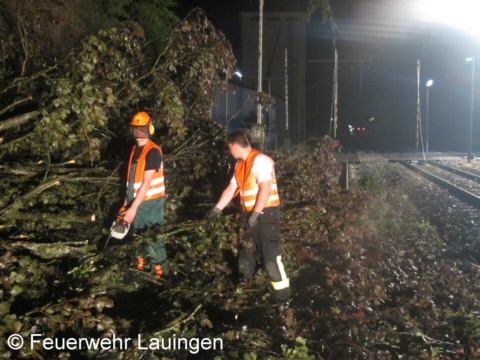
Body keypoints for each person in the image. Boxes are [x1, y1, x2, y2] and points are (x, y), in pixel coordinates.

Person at [208, 129, 290, 302]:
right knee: (245, 254)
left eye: (230, 148)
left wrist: (255, 214)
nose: (230, 152)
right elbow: (231, 189)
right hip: (248, 214)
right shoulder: (240, 166)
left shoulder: (259, 161)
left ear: (235, 146)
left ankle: (282, 296)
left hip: (266, 215)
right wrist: (216, 210)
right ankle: (245, 290)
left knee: (270, 257)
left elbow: (265, 189)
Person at [119, 111, 168, 278]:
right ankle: (142, 273)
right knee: (137, 238)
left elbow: (146, 183)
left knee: (154, 240)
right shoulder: (134, 150)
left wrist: (133, 207)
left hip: (150, 204)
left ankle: (161, 276)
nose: (138, 133)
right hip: (136, 202)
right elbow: (132, 181)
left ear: (149, 129)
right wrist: (127, 203)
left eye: (141, 129)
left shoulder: (152, 151)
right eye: (136, 129)